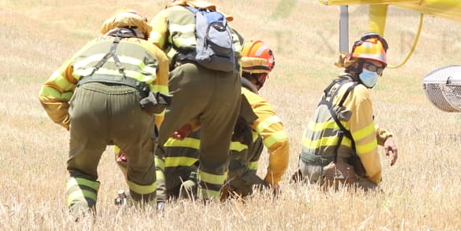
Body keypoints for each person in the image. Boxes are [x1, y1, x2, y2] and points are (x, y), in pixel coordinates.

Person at [39, 10, 170, 215]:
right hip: (132, 110)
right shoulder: (155, 52)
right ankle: (143, 217)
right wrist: (148, 136)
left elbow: (49, 92)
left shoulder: (89, 47)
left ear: (109, 30)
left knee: (81, 171)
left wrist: (72, 124)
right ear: (143, 32)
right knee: (142, 173)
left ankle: (80, 219)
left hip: (86, 106)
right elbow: (159, 104)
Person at [161, 39, 290, 199]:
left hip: (164, 176)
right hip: (213, 177)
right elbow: (280, 141)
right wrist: (271, 182)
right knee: (268, 195)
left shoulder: (202, 90)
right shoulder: (253, 101)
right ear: (263, 77)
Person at [150, 0, 243, 202]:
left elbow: (153, 51)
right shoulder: (221, 21)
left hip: (188, 74)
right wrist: (193, 124)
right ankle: (208, 205)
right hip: (230, 83)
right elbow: (238, 62)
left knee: (148, 141)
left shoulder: (167, 14)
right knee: (215, 156)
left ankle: (155, 202)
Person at [298, 33, 398, 190]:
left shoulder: (335, 86)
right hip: (329, 175)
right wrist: (375, 180)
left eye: (379, 70)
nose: (374, 73)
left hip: (307, 173)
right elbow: (367, 149)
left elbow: (351, 123)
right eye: (370, 67)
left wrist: (384, 137)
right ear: (356, 64)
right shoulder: (359, 93)